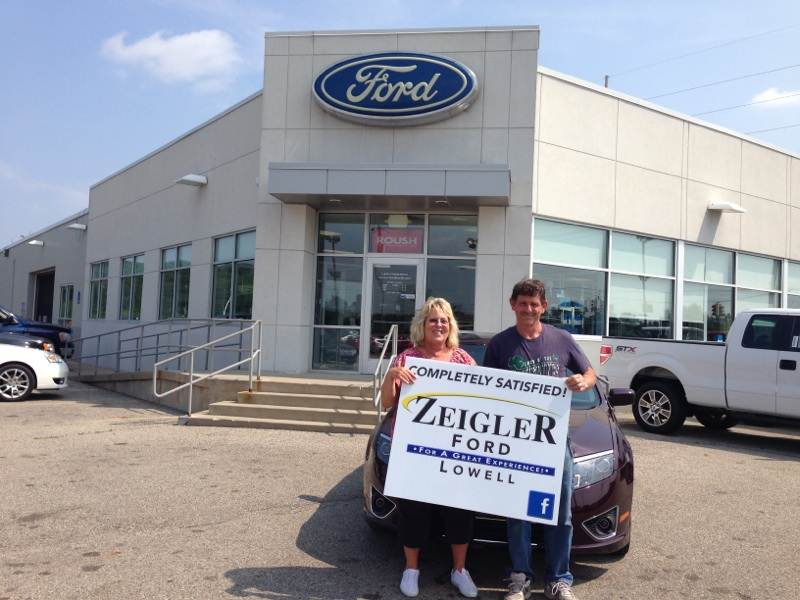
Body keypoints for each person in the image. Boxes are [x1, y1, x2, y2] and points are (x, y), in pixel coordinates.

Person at [482, 278, 596, 600]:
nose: (528, 309)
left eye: (534, 304)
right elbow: (485, 390)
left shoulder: (562, 339)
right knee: (518, 513)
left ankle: (558, 579)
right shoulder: (500, 345)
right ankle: (520, 578)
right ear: (513, 305)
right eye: (523, 303)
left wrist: (582, 381)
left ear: (544, 307)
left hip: (555, 443)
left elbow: (590, 374)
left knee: (560, 514)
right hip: (515, 443)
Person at [380, 297, 480, 599]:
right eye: (433, 320)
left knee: (460, 512)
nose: (439, 325)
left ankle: (459, 570)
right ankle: (411, 569)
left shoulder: (463, 359)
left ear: (451, 325)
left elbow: (480, 401)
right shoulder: (406, 358)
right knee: (414, 512)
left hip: (455, 452)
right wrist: (391, 376)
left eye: (444, 320)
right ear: (422, 325)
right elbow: (387, 403)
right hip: (415, 454)